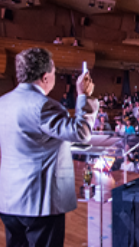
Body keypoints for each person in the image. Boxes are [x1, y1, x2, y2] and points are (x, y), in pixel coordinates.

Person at [0, 48, 99, 247]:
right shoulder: (44, 106)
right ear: (45, 77)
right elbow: (80, 132)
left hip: (9, 200)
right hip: (39, 204)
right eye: (54, 74)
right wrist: (83, 96)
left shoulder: (3, 102)